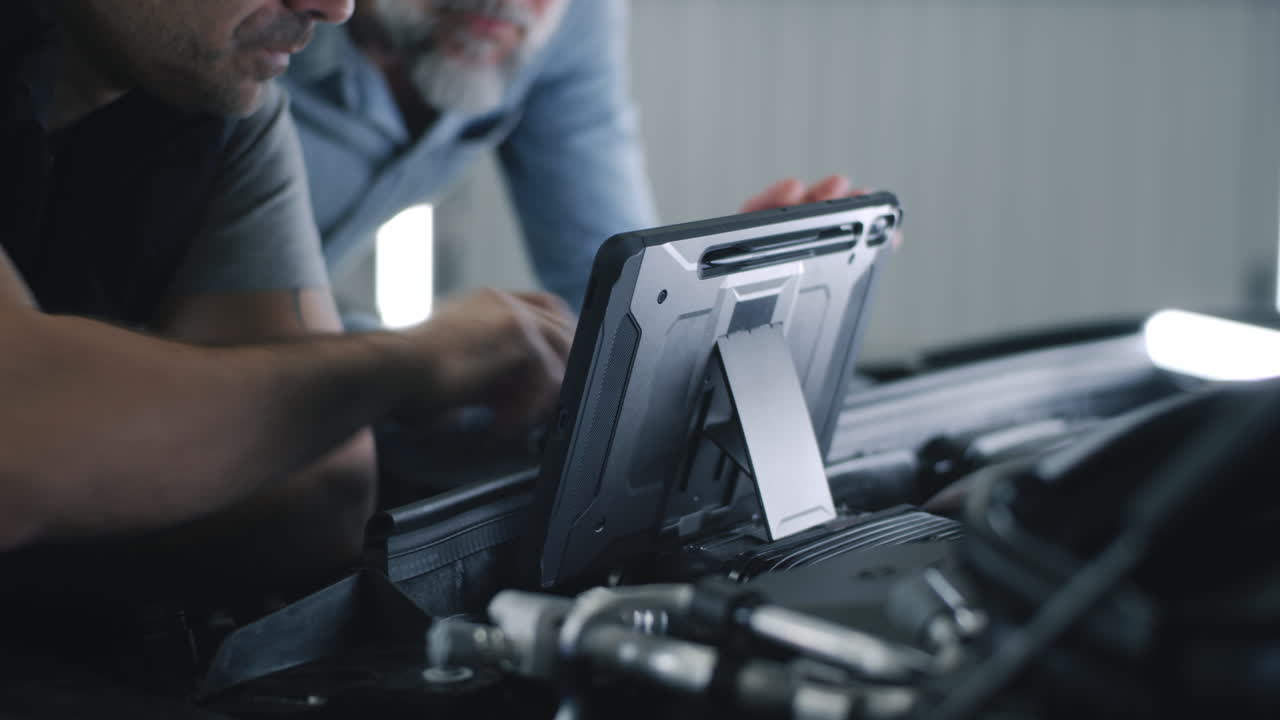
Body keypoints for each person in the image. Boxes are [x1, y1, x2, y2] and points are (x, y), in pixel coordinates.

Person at [0, 0, 575, 607]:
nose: (335, 8)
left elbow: (321, 494)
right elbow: (17, 441)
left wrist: (75, 462)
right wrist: (404, 364)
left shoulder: (223, 110)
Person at [285, 0, 859, 311]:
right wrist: (416, 364)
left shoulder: (568, 17)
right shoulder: (242, 28)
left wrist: (718, 305)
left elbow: (612, 290)